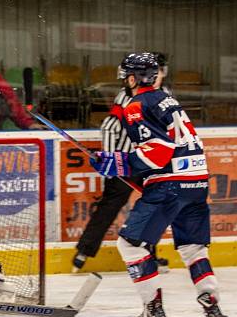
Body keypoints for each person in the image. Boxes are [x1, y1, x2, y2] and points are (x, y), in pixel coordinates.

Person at [92, 52, 229, 317]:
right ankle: (212, 304)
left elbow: (157, 150)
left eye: (125, 77)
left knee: (130, 245)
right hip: (196, 181)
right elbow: (168, 149)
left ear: (133, 78)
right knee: (193, 248)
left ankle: (153, 314)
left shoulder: (135, 105)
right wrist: (119, 162)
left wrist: (119, 163)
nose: (123, 82)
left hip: (171, 183)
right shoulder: (168, 100)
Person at [72, 52, 171, 274]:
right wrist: (111, 159)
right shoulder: (128, 95)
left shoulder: (164, 96)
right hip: (127, 161)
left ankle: (150, 255)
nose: (160, 75)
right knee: (110, 205)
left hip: (151, 164)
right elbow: (109, 126)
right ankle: (84, 251)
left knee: (153, 208)